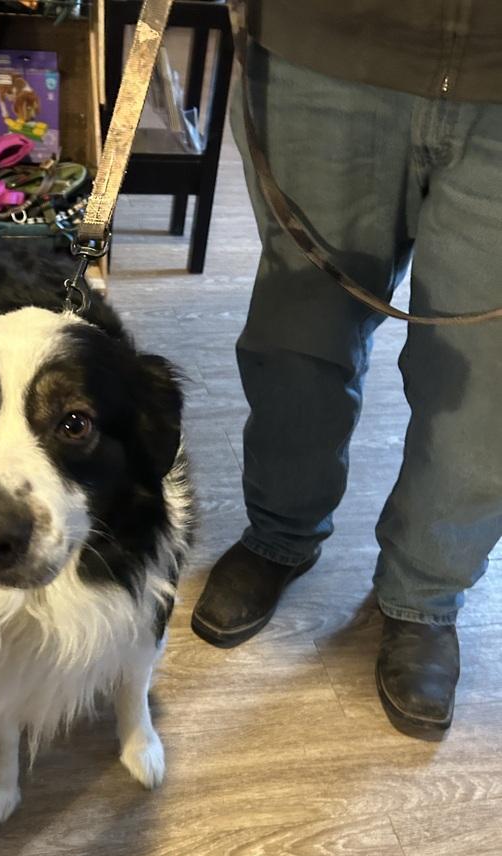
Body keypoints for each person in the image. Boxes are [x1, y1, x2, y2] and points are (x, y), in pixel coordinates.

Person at [191, 2, 502, 740]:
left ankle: (426, 594)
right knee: (299, 334)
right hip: (324, 43)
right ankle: (280, 529)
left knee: (489, 383)